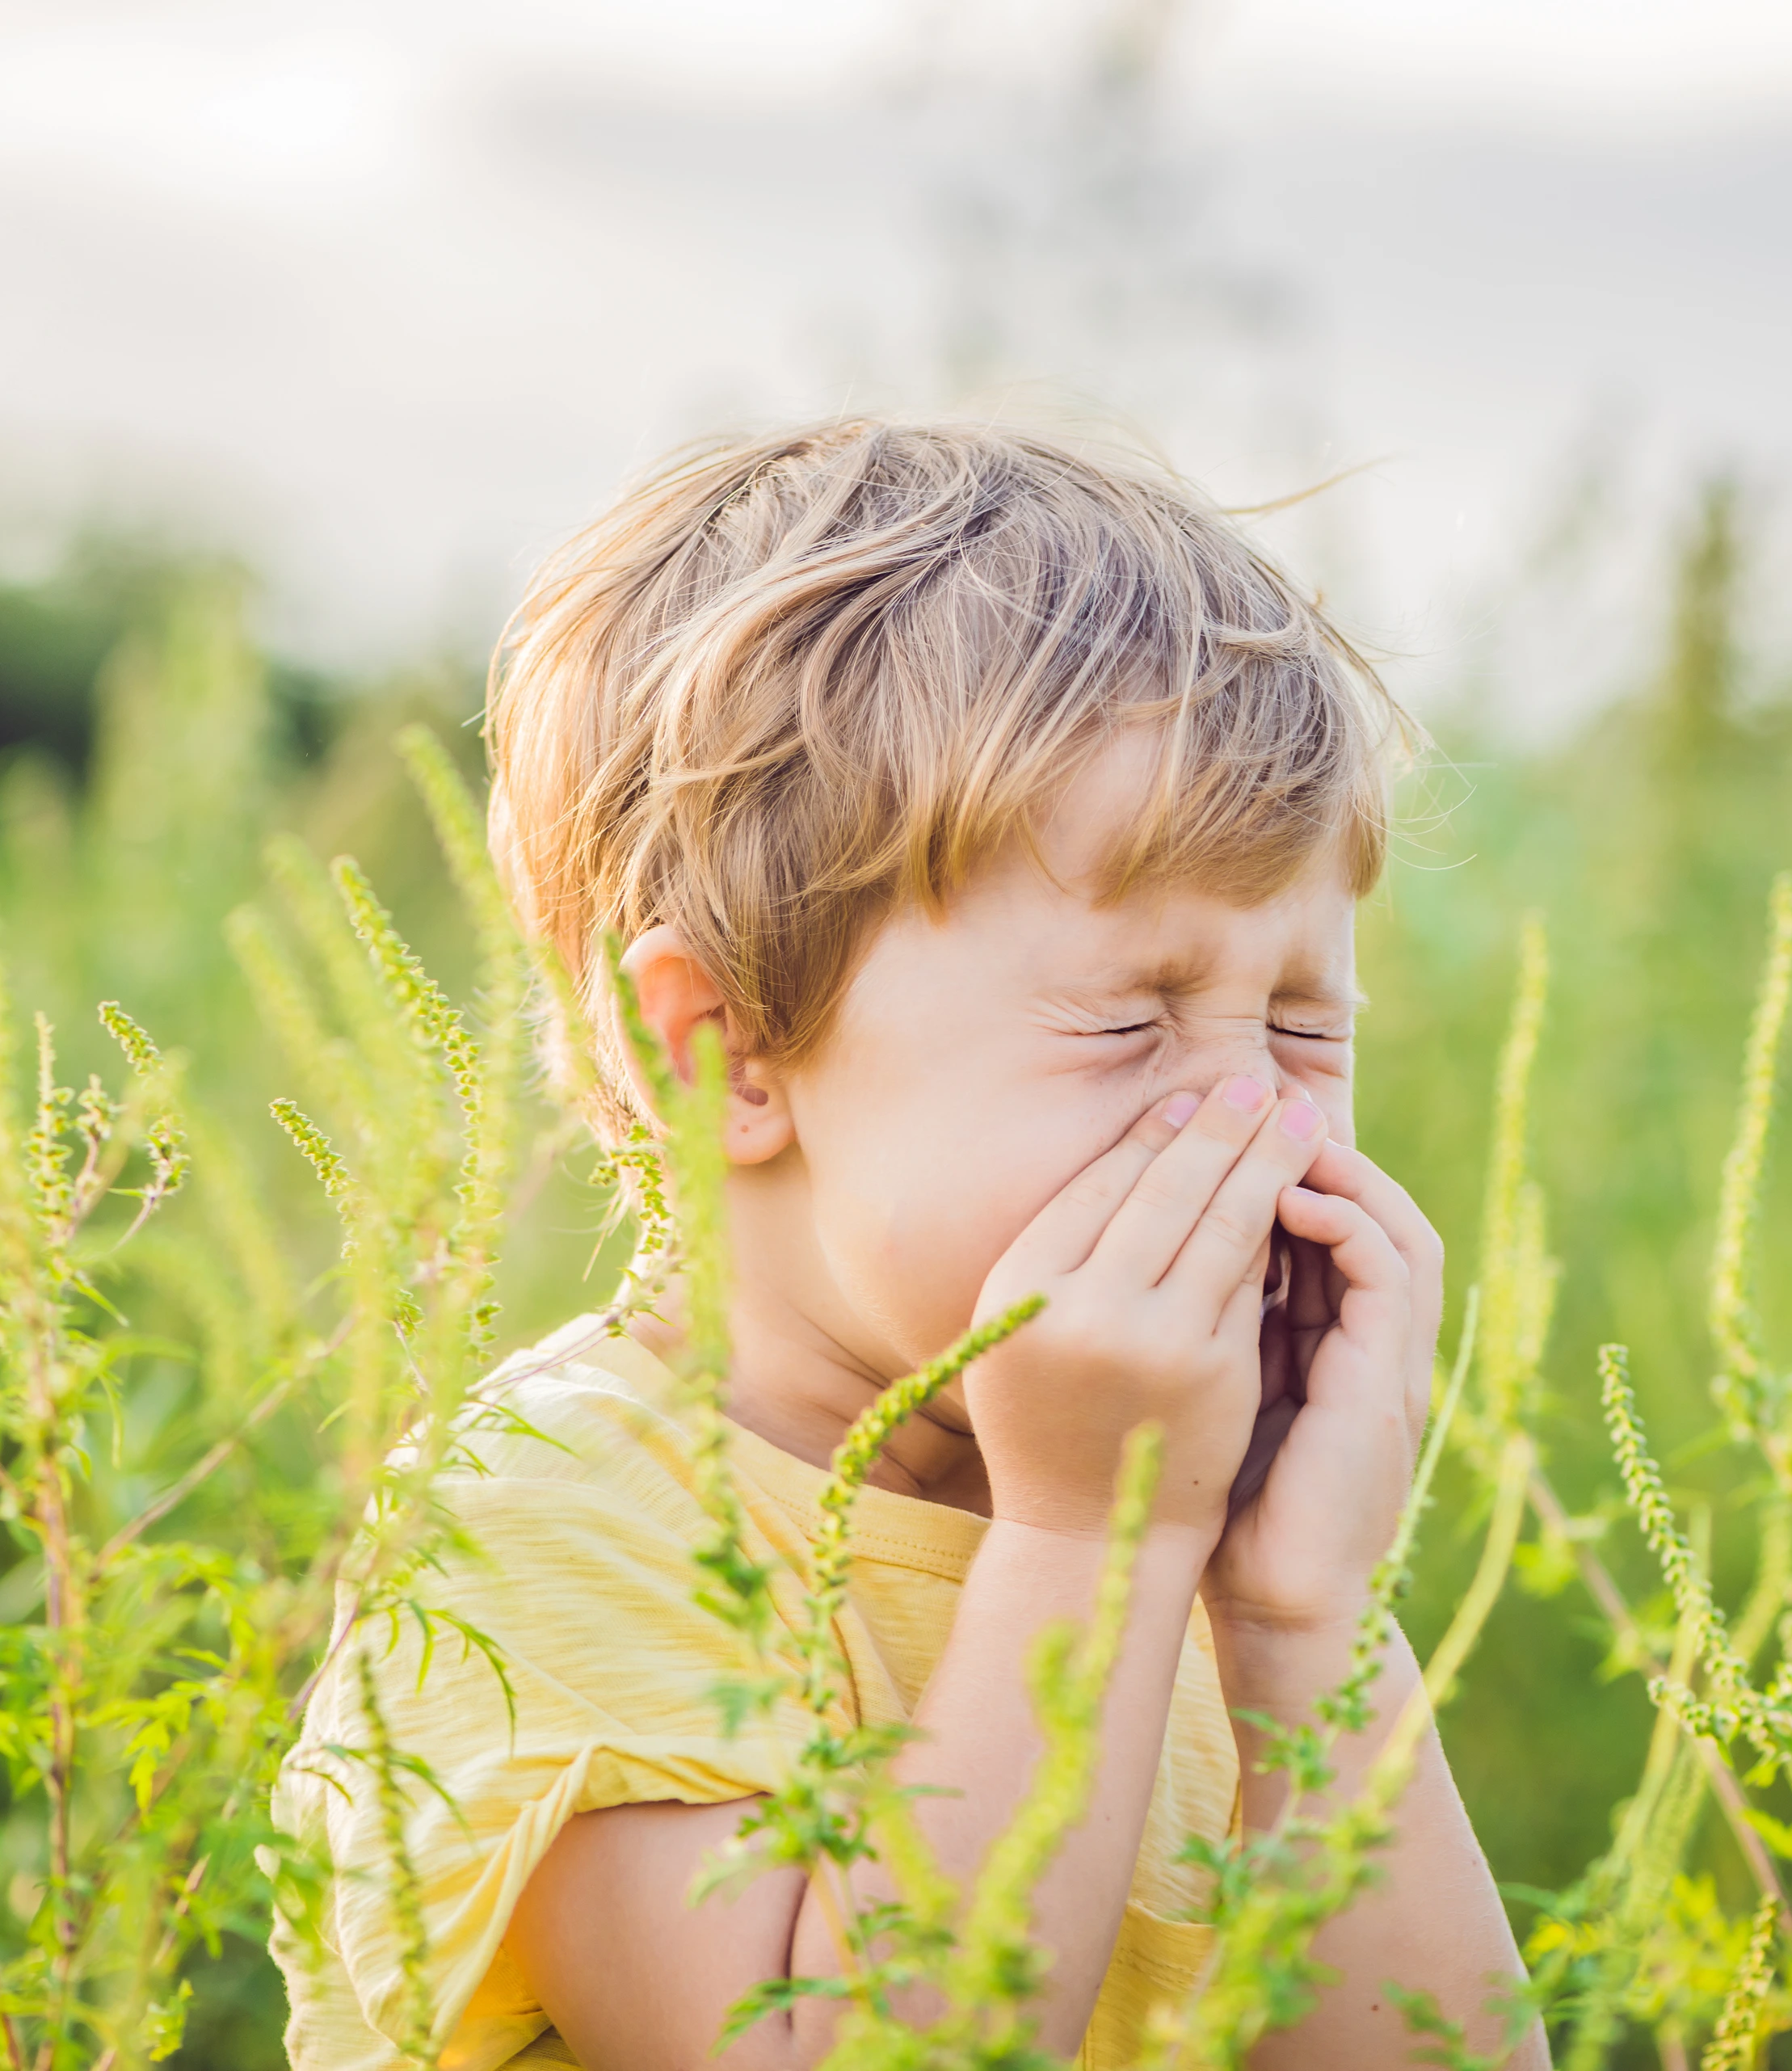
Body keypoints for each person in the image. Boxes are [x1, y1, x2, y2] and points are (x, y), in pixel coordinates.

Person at [272, 417, 1544, 2070]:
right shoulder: (552, 1529)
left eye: (1306, 1027)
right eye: (1129, 1022)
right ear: (720, 1052)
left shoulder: (1189, 1535)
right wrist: (1090, 1547)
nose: (1254, 1127)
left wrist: (1312, 1619)